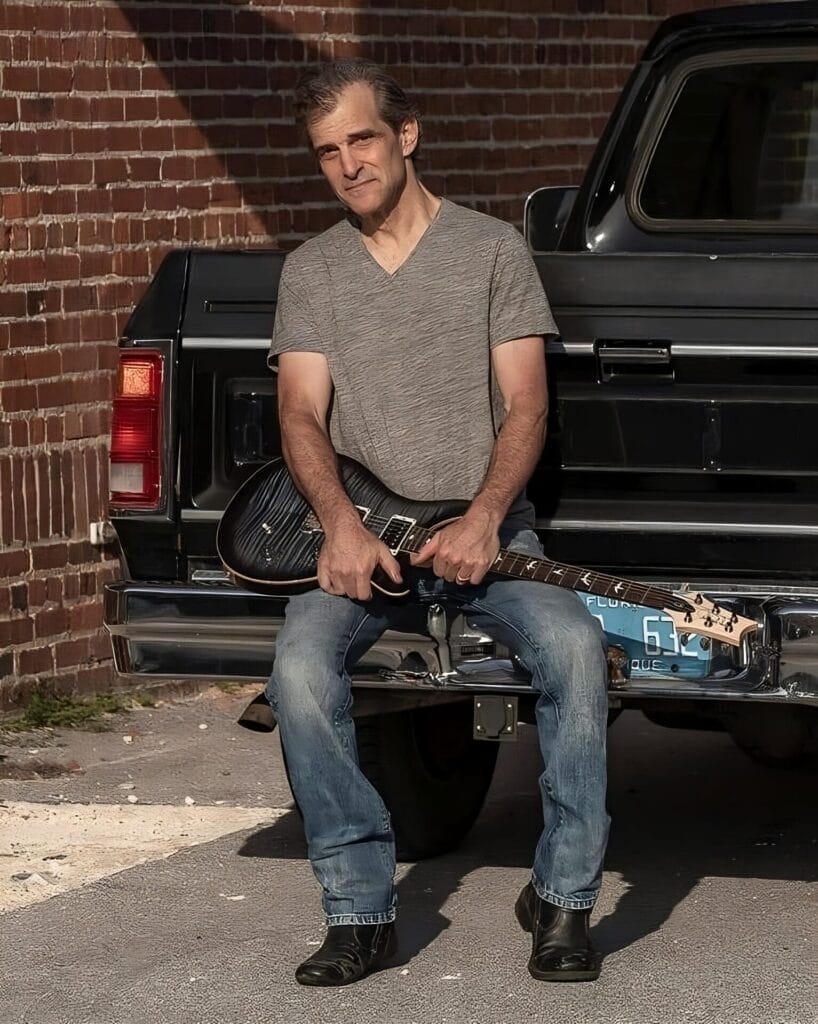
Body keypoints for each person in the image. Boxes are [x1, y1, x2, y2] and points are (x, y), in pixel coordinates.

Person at [263, 58, 610, 987]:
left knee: (574, 651)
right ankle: (360, 911)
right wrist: (337, 524)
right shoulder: (313, 271)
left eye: (362, 140)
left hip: (487, 535)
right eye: (327, 152)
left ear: (405, 137)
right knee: (298, 667)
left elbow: (527, 405)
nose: (348, 165)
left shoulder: (491, 250)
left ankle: (566, 899)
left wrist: (488, 517)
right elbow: (300, 413)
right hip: (365, 540)